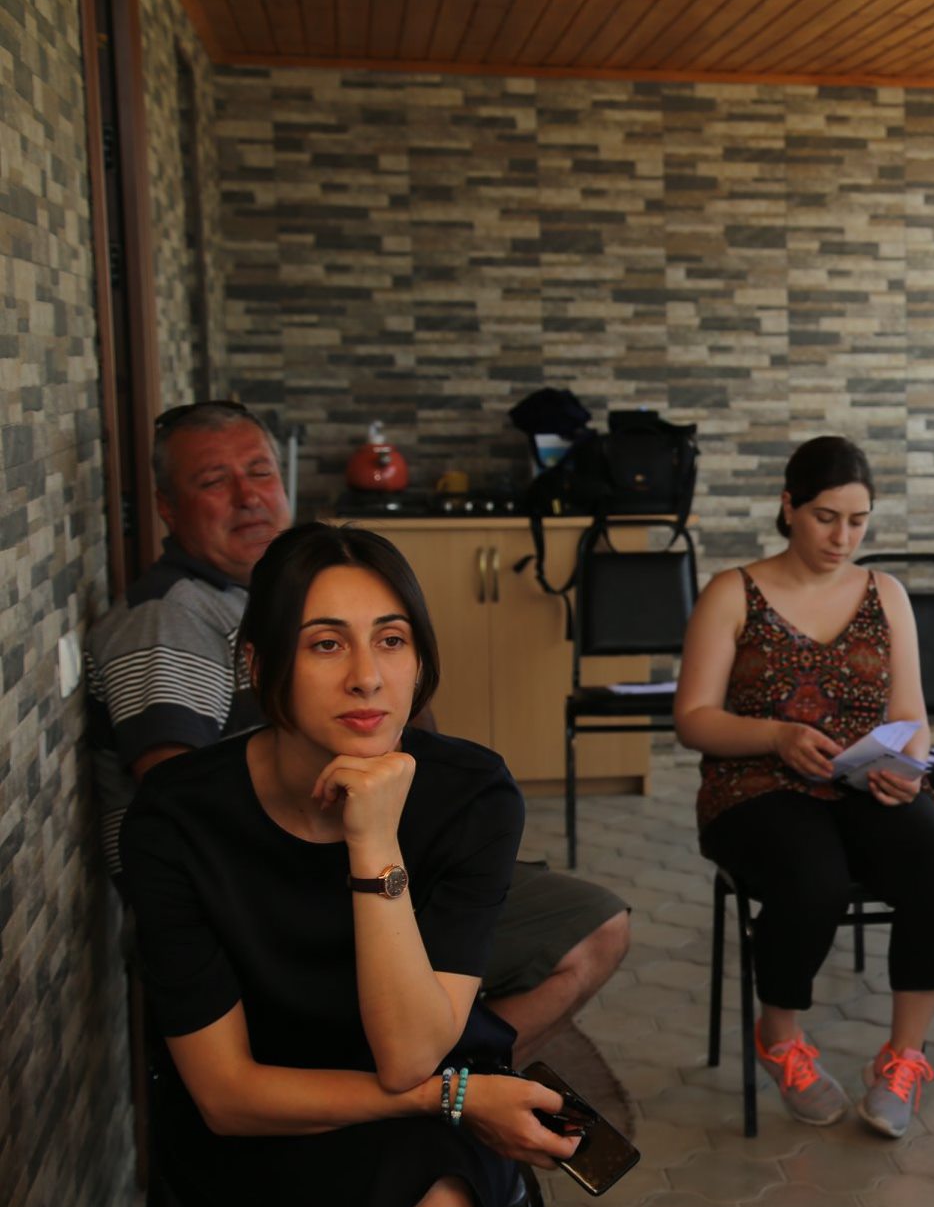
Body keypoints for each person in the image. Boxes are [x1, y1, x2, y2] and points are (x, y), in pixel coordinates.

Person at [118, 523, 581, 1207]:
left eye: (391, 640)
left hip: (417, 1096)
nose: (367, 676)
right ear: (259, 665)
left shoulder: (472, 796)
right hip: (264, 1123)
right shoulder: (179, 819)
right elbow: (227, 1095)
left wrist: (373, 841)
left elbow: (408, 1051)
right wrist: (457, 1097)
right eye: (326, 644)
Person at [85, 400, 629, 1062]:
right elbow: (188, 804)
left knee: (589, 919)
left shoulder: (273, 588)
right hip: (278, 896)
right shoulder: (170, 618)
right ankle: (447, 1081)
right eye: (214, 481)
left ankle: (455, 1071)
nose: (248, 497)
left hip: (370, 846)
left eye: (259, 472)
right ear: (167, 508)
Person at [675, 435, 934, 1138]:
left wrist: (907, 767)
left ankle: (903, 1058)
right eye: (826, 518)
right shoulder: (732, 591)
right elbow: (693, 718)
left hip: (864, 781)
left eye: (858, 521)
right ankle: (779, 1036)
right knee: (814, 880)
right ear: (789, 507)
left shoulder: (885, 594)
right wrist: (777, 736)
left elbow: (911, 716)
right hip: (754, 786)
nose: (843, 537)